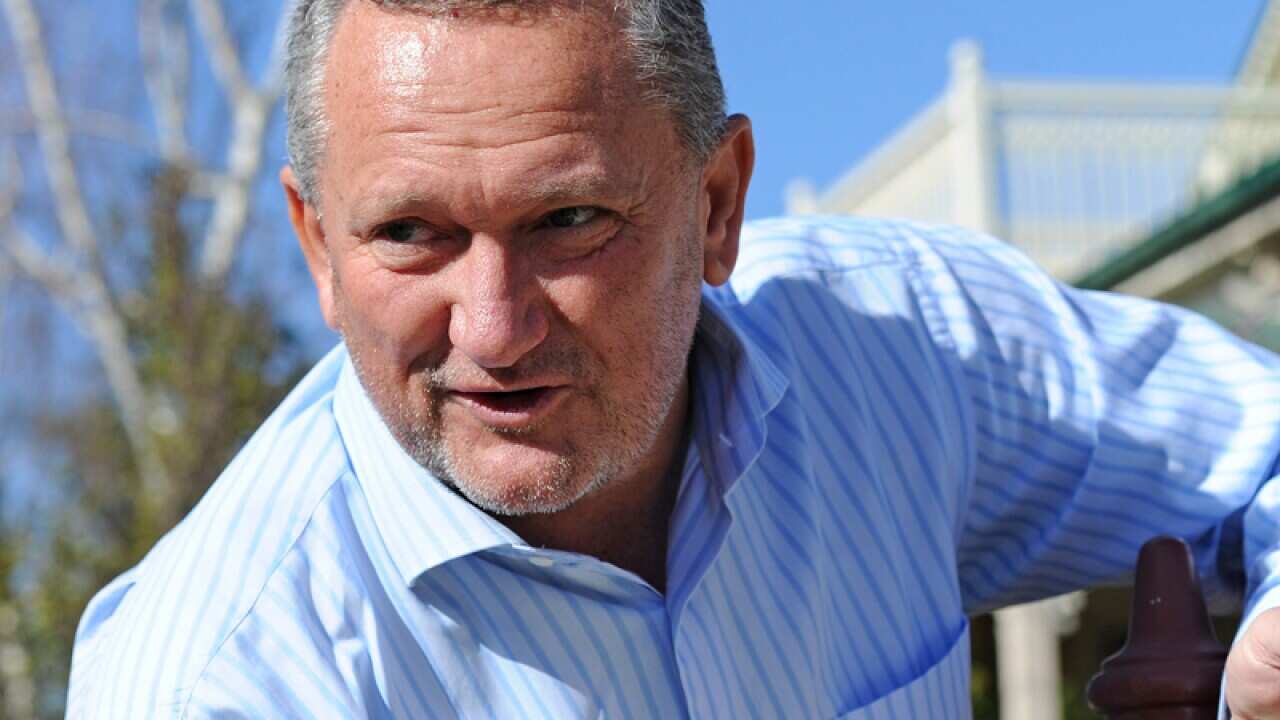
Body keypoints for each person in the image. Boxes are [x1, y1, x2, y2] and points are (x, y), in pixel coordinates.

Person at [66, 1, 1280, 717]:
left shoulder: (899, 351)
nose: (491, 329)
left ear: (715, 205)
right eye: (409, 234)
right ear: (316, 248)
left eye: (568, 220)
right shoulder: (222, 681)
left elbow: (1257, 446)